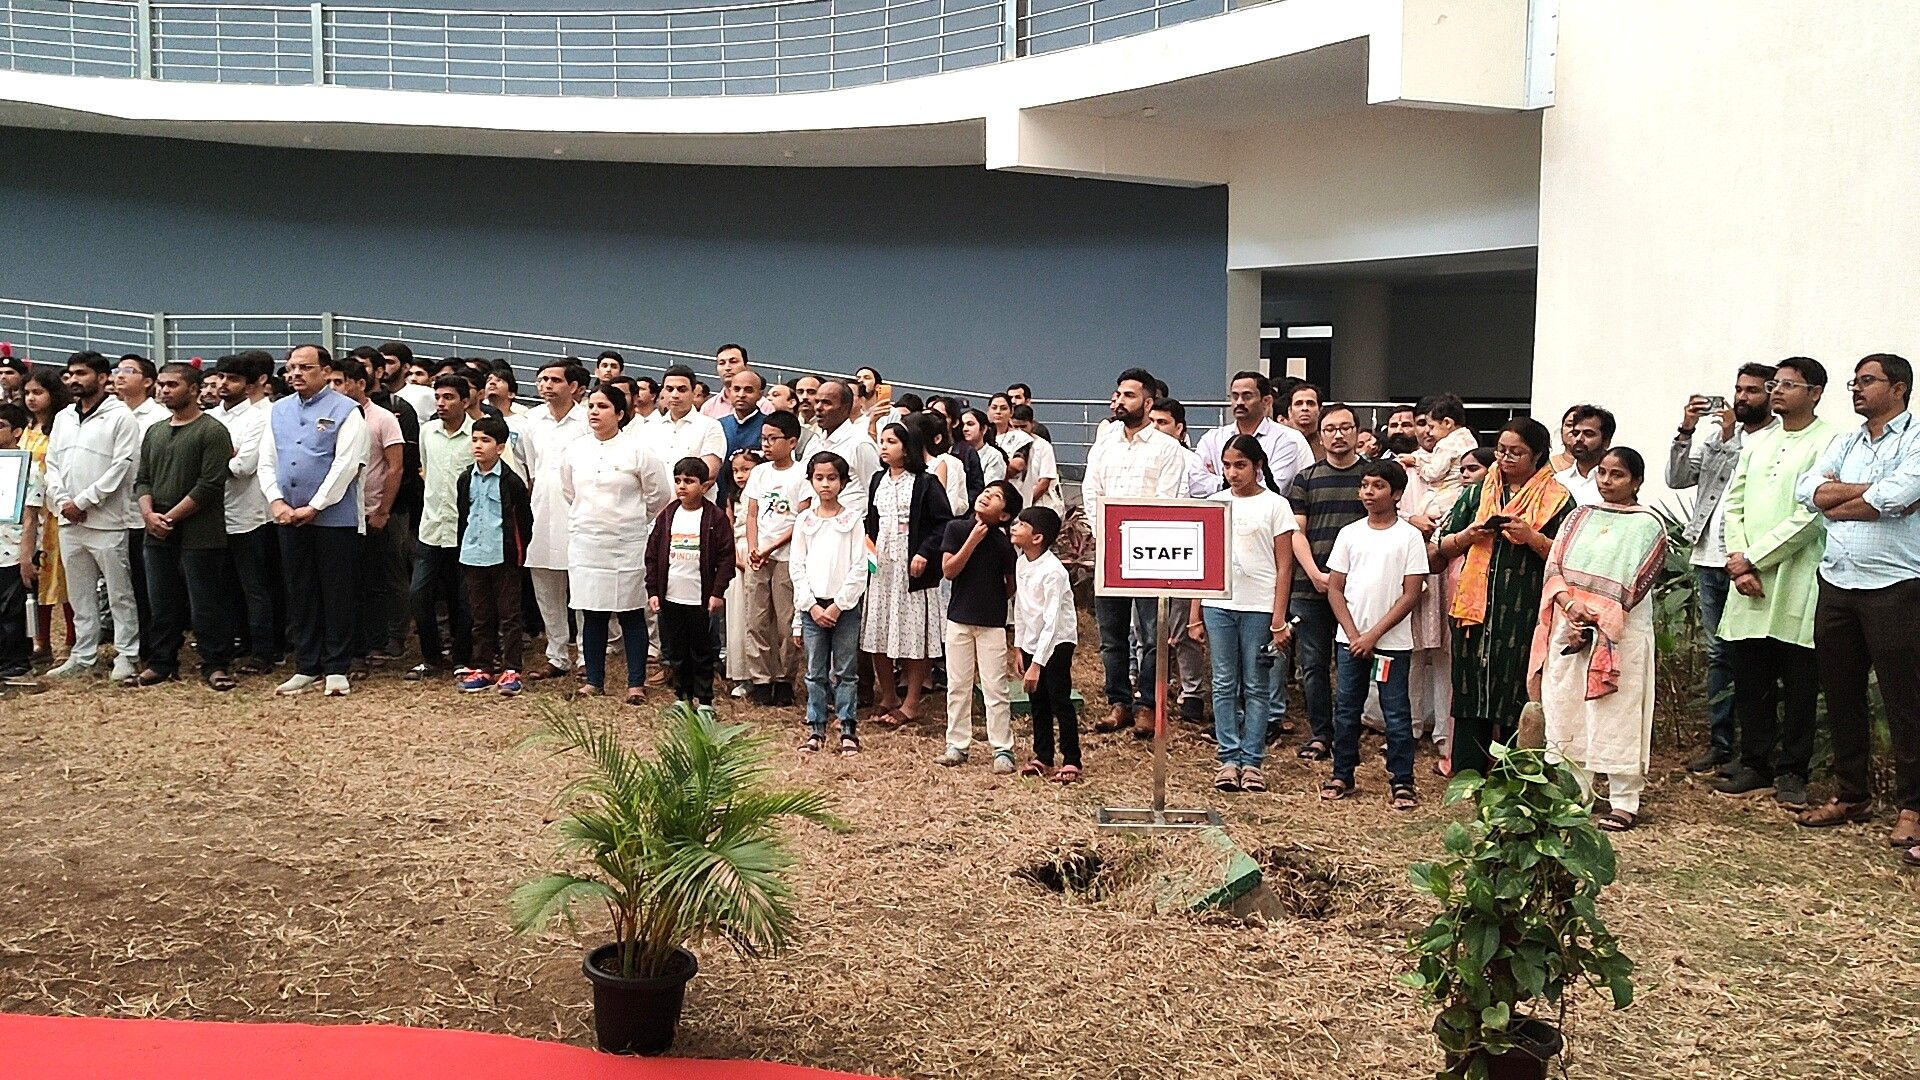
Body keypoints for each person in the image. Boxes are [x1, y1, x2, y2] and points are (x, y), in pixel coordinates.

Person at [1793, 354, 1920, 859]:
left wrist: (1844, 501)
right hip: (1838, 583)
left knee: (1905, 698)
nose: (1856, 389)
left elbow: (1901, 495)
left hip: (1896, 586)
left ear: (1899, 387)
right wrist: (1868, 496)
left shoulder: (1915, 439)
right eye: (1854, 381)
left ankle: (1913, 807)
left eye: (1867, 381)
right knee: (1842, 692)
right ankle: (1851, 795)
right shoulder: (1845, 441)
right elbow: (1806, 490)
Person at [1709, 357, 1837, 810]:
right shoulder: (1759, 441)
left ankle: (1793, 772)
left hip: (1799, 573)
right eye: (1774, 384)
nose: (1776, 391)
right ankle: (1754, 763)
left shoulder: (1832, 441)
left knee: (1800, 679)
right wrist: (1740, 563)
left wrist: (1754, 557)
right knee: (1751, 674)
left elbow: (1814, 514)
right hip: (1747, 576)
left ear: (1815, 392)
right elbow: (1734, 503)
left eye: (1788, 384)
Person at [1531, 447, 1668, 831]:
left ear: (1637, 481)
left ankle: (1624, 801)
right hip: (1570, 624)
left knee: (1619, 711)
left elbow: (1636, 579)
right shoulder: (1579, 516)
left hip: (1620, 631)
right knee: (1568, 706)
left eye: (1617, 475)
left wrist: (1595, 616)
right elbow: (1554, 566)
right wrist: (1568, 605)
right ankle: (1575, 795)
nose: (1606, 481)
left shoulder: (1647, 524)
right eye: (1603, 473)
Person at [1432, 419, 1574, 777]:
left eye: (1516, 452)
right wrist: (1469, 535)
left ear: (1537, 455)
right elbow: (1442, 546)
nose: (1506, 459)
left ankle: (1515, 774)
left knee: (1517, 688)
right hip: (1473, 610)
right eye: (1501, 451)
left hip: (1524, 607)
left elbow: (1569, 557)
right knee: (1470, 686)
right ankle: (1467, 771)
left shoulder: (1558, 499)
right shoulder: (1478, 492)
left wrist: (1532, 538)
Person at [1667, 364, 1779, 774]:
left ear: (1771, 395)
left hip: (1748, 560)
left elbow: (1743, 476)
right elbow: (1678, 478)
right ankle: (1720, 743)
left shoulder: (1776, 438)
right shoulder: (1716, 436)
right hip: (1707, 556)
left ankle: (1756, 749)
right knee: (1718, 654)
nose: (1742, 397)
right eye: (1738, 389)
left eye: (1752, 390)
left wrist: (1729, 436)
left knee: (1752, 654)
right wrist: (1686, 430)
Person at [258, 345, 369, 697]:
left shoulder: (347, 410)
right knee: (300, 591)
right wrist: (276, 501)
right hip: (288, 516)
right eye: (291, 368)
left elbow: (346, 465)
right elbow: (267, 460)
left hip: (333, 518)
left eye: (305, 367)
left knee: (336, 591)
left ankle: (337, 666)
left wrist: (317, 505)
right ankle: (306, 665)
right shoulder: (278, 409)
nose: (295, 374)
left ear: (325, 370)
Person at [1082, 367, 1187, 737]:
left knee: (1154, 635)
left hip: (1149, 553)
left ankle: (1148, 705)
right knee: (1111, 635)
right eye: (1118, 394)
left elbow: (1166, 501)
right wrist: (1105, 535)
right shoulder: (1104, 444)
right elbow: (1091, 491)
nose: (1120, 401)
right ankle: (1119, 703)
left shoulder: (1167, 448)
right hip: (1110, 550)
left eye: (1129, 395)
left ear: (1148, 402)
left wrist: (1136, 541)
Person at [1324, 458, 1430, 809]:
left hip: (1392, 644)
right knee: (1346, 709)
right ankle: (1342, 773)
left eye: (1378, 486)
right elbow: (1335, 588)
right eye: (1365, 485)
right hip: (1349, 642)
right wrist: (1354, 634)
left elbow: (1411, 594)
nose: (1369, 492)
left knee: (1396, 712)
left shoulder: (1409, 537)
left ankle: (1402, 780)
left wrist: (1373, 635)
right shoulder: (1350, 534)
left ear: (1397, 494)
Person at [1193, 434, 1296, 793]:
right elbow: (1202, 564)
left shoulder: (1276, 506)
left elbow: (1285, 566)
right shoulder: (1215, 503)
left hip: (1259, 606)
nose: (1233, 473)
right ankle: (1227, 757)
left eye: (1240, 465)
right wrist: (1195, 614)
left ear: (1257, 466)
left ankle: (1252, 760)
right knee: (1223, 682)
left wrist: (1278, 618)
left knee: (1256, 684)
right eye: (1226, 466)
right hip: (1219, 604)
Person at [131, 362, 236, 690]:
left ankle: (215, 663)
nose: (164, 390)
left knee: (205, 601)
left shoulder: (212, 430)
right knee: (161, 600)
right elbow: (142, 479)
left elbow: (210, 485)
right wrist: (149, 515)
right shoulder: (155, 431)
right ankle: (162, 662)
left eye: (172, 385)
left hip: (200, 531)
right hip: (156, 529)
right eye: (161, 385)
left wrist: (170, 518)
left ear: (193, 390)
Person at [563, 385, 670, 704]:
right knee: (592, 612)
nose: (594, 412)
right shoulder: (575, 449)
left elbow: (659, 495)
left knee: (631, 613)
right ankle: (593, 681)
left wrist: (632, 519)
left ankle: (635, 683)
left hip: (627, 543)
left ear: (620, 413)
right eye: (591, 406)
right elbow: (569, 491)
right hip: (587, 542)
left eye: (603, 406)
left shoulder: (638, 450)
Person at [43, 352, 143, 682]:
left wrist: (85, 500)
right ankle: (83, 654)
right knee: (80, 592)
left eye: (82, 373)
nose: (74, 380)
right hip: (69, 519)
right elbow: (52, 464)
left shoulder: (120, 416)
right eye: (70, 374)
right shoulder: (63, 418)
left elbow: (123, 466)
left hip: (107, 519)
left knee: (119, 592)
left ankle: (127, 654)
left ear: (102, 378)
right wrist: (63, 501)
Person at [1286, 403, 1370, 759]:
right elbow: (1296, 532)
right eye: (1330, 429)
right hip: (1311, 586)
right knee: (1313, 665)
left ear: (1357, 432)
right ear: (1320, 436)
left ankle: (1349, 734)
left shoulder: (1371, 478)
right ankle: (1321, 733)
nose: (1338, 435)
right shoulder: (1305, 478)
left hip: (1360, 588)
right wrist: (1315, 573)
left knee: (1354, 662)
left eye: (1346, 428)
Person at [862, 422, 952, 725]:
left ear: (907, 447)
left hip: (912, 568)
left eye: (892, 442)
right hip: (881, 567)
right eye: (882, 441)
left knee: (914, 634)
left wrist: (924, 552)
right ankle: (888, 696)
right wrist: (869, 557)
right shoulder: (877, 480)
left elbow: (943, 523)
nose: (884, 447)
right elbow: (871, 522)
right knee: (878, 631)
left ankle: (912, 701)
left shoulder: (926, 482)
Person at [936, 480, 1023, 773]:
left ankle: (1002, 748)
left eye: (996, 496)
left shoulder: (1003, 544)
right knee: (957, 685)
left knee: (995, 687)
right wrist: (972, 540)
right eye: (987, 491)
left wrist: (992, 601)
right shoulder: (957, 529)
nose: (987, 496)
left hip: (992, 624)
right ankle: (957, 744)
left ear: (1004, 515)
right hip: (958, 619)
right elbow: (949, 570)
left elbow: (1010, 584)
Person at [329, 357, 405, 679]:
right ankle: (348, 648)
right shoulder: (327, 418)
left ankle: (375, 644)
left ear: (361, 384)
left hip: (371, 512)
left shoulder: (383, 418)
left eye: (340, 382)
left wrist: (383, 510)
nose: (334, 388)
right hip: (335, 514)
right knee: (343, 585)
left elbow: (395, 467)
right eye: (330, 382)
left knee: (373, 583)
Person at [209, 352, 282, 673]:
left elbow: (243, 466)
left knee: (256, 587)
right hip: (215, 513)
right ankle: (239, 642)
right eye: (221, 377)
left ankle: (265, 651)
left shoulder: (261, 416)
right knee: (226, 586)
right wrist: (222, 457)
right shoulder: (211, 417)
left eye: (234, 379)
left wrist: (212, 459)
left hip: (251, 513)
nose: (224, 384)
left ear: (251, 384)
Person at [518, 360, 592, 681]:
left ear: (573, 387)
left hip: (579, 514)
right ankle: (557, 655)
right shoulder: (532, 421)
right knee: (546, 588)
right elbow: (530, 467)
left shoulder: (587, 421)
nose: (546, 385)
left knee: (582, 589)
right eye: (542, 379)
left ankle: (588, 655)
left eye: (554, 380)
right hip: (541, 512)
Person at [791, 452, 868, 755]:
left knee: (846, 670)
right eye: (819, 478)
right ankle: (815, 728)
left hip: (843, 609)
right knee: (815, 671)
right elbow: (797, 566)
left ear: (843, 482)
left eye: (832, 478)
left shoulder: (852, 521)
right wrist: (810, 606)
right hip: (812, 608)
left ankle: (847, 728)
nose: (825, 484)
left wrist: (838, 605)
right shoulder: (804, 520)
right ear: (810, 481)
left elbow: (859, 567)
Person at [453, 417, 534, 696]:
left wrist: (518, 554)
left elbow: (523, 521)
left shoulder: (511, 482)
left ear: (500, 447)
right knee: (480, 616)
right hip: (473, 555)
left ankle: (512, 669)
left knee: (509, 615)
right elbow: (463, 514)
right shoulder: (466, 478)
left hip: (503, 556)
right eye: (475, 439)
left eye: (485, 440)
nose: (478, 445)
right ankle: (483, 667)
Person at [409, 374, 476, 681]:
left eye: (449, 397)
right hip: (432, 527)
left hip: (466, 529)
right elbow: (425, 470)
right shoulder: (427, 431)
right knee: (419, 594)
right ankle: (432, 657)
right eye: (438, 397)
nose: (441, 403)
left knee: (463, 599)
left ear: (465, 401)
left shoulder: (477, 434)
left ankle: (462, 658)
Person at [743, 410, 809, 705]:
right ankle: (760, 678)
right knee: (756, 619)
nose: (766, 445)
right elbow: (752, 514)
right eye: (763, 439)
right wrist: (754, 548)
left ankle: (784, 678)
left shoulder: (802, 474)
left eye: (773, 439)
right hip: (758, 556)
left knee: (786, 620)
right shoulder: (759, 473)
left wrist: (770, 548)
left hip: (786, 557)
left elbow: (801, 520)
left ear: (792, 441)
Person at [1012, 505, 1078, 781]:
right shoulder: (1021, 562)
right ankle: (1043, 756)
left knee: (1059, 699)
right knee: (1037, 700)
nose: (1014, 527)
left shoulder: (1053, 571)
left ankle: (1072, 759)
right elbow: (1020, 606)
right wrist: (1019, 646)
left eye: (1022, 525)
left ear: (1037, 537)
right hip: (1032, 640)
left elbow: (1052, 620)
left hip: (1057, 641)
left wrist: (1037, 663)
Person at [19, 368, 73, 662]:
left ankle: (73, 640)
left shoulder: (61, 427)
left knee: (64, 579)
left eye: (38, 392)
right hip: (30, 513)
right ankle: (41, 642)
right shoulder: (26, 429)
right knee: (36, 578)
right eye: (27, 392)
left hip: (54, 511)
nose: (31, 398)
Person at [114, 353, 167, 657]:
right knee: (123, 585)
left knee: (149, 584)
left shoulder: (158, 417)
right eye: (118, 370)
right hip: (113, 511)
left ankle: (152, 644)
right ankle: (128, 643)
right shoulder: (110, 413)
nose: (120, 375)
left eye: (129, 371)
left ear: (147, 382)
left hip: (147, 510)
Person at [804, 379, 881, 519]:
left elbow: (876, 491)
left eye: (826, 403)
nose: (818, 408)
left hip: (852, 525)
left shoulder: (860, 443)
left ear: (845, 408)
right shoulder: (815, 443)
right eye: (817, 401)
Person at [0, 403, 37, 681]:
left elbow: (31, 517)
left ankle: (16, 661)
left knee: (12, 611)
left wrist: (26, 556)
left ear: (17, 431)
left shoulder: (30, 469)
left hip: (13, 549)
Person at [654, 364, 726, 485]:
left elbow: (708, 474)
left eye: (682, 390)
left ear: (693, 393)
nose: (675, 395)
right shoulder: (648, 428)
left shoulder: (711, 427)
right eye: (669, 389)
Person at [1150, 398, 1224, 498]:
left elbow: (1204, 488)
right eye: (1151, 421)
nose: (1154, 427)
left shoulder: (1192, 461)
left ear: (1178, 428)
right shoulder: (1134, 452)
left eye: (1162, 422)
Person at [719, 368, 767, 499]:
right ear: (729, 392)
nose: (741, 394)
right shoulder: (717, 426)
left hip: (757, 500)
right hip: (720, 498)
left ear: (760, 394)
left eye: (748, 390)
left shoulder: (769, 427)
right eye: (736, 389)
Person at [1554, 405, 1615, 507]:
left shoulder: (1613, 482)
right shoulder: (1558, 481)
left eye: (1588, 434)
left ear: (1606, 442)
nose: (1579, 438)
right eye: (1575, 433)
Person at [1008, 404, 1063, 514]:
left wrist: (1025, 505)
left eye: (1023, 427)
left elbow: (1044, 482)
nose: (1019, 431)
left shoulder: (1044, 446)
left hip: (1037, 504)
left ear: (1032, 424)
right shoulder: (1006, 443)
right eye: (1015, 427)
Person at [703, 344, 749, 419]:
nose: (727, 367)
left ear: (746, 365)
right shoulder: (708, 408)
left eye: (733, 362)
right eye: (722, 363)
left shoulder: (762, 405)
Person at [1286, 381, 1325, 461]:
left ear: (1320, 410)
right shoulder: (1280, 441)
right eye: (1298, 403)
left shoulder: (1327, 442)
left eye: (1310, 403)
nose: (1304, 408)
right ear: (1290, 411)